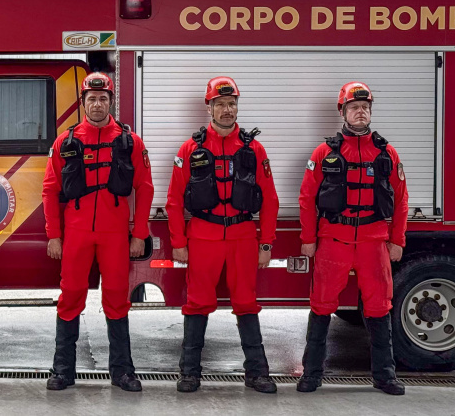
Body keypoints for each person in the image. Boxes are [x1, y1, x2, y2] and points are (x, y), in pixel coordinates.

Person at [166, 76, 279, 394]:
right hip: (203, 236)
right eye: (220, 104)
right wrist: (178, 242)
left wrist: (266, 242)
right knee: (197, 303)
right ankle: (189, 372)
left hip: (243, 236)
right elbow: (174, 200)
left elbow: (269, 200)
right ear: (209, 108)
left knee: (246, 302)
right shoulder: (191, 149)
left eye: (231, 104)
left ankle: (258, 373)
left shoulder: (253, 148)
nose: (227, 110)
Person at [43, 72, 154, 392]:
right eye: (91, 99)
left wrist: (140, 233)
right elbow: (50, 190)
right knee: (71, 297)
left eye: (103, 98)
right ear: (83, 102)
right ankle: (62, 369)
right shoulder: (66, 141)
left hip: (115, 234)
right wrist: (54, 234)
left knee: (117, 299)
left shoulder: (129, 141)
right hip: (76, 232)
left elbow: (144, 189)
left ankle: (123, 372)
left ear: (110, 102)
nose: (97, 104)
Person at [296, 81, 408, 396]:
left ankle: (385, 377)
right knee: (321, 305)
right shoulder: (323, 152)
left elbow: (400, 198)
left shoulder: (387, 152)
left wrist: (397, 239)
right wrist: (309, 237)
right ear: (343, 112)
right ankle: (311, 375)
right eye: (354, 107)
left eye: (365, 107)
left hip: (374, 242)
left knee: (379, 307)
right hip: (334, 241)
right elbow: (307, 197)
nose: (361, 112)